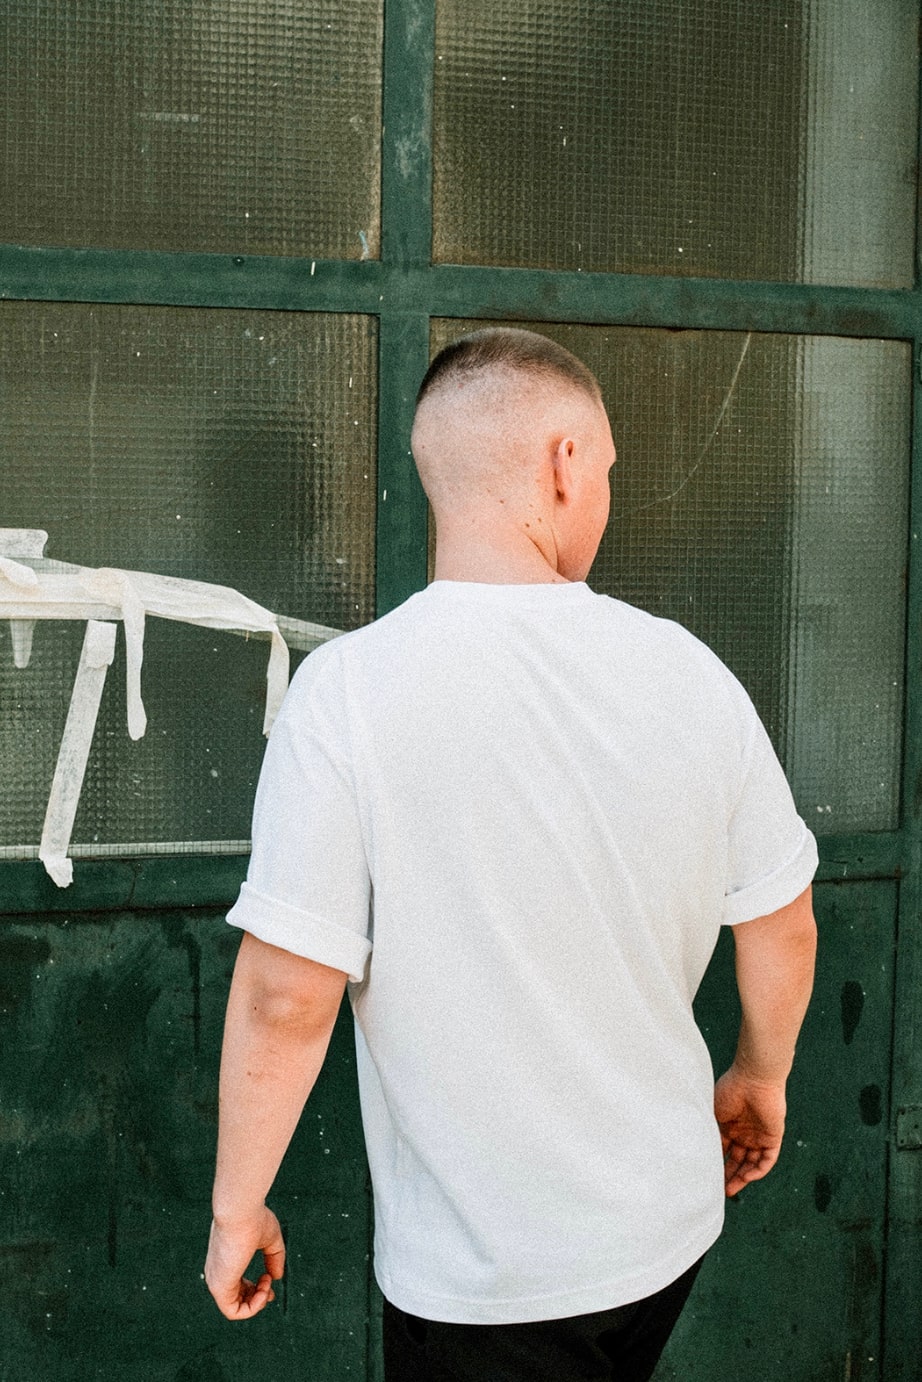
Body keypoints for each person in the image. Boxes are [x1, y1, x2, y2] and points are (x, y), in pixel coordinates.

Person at [204, 327, 818, 1381]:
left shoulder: (349, 693)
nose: (607, 496)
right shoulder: (688, 672)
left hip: (485, 1275)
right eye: (610, 470)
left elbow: (286, 997)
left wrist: (235, 1207)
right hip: (664, 1227)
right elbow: (781, 920)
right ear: (564, 463)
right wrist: (760, 1075)